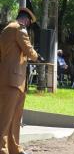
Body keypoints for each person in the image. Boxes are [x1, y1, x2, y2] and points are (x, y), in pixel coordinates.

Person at [0, 8, 42, 154]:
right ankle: (3, 148)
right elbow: (29, 49)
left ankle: (14, 147)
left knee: (14, 116)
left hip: (11, 78)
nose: (28, 26)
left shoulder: (6, 29)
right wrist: (38, 57)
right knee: (7, 117)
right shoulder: (19, 28)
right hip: (13, 79)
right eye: (29, 23)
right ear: (25, 20)